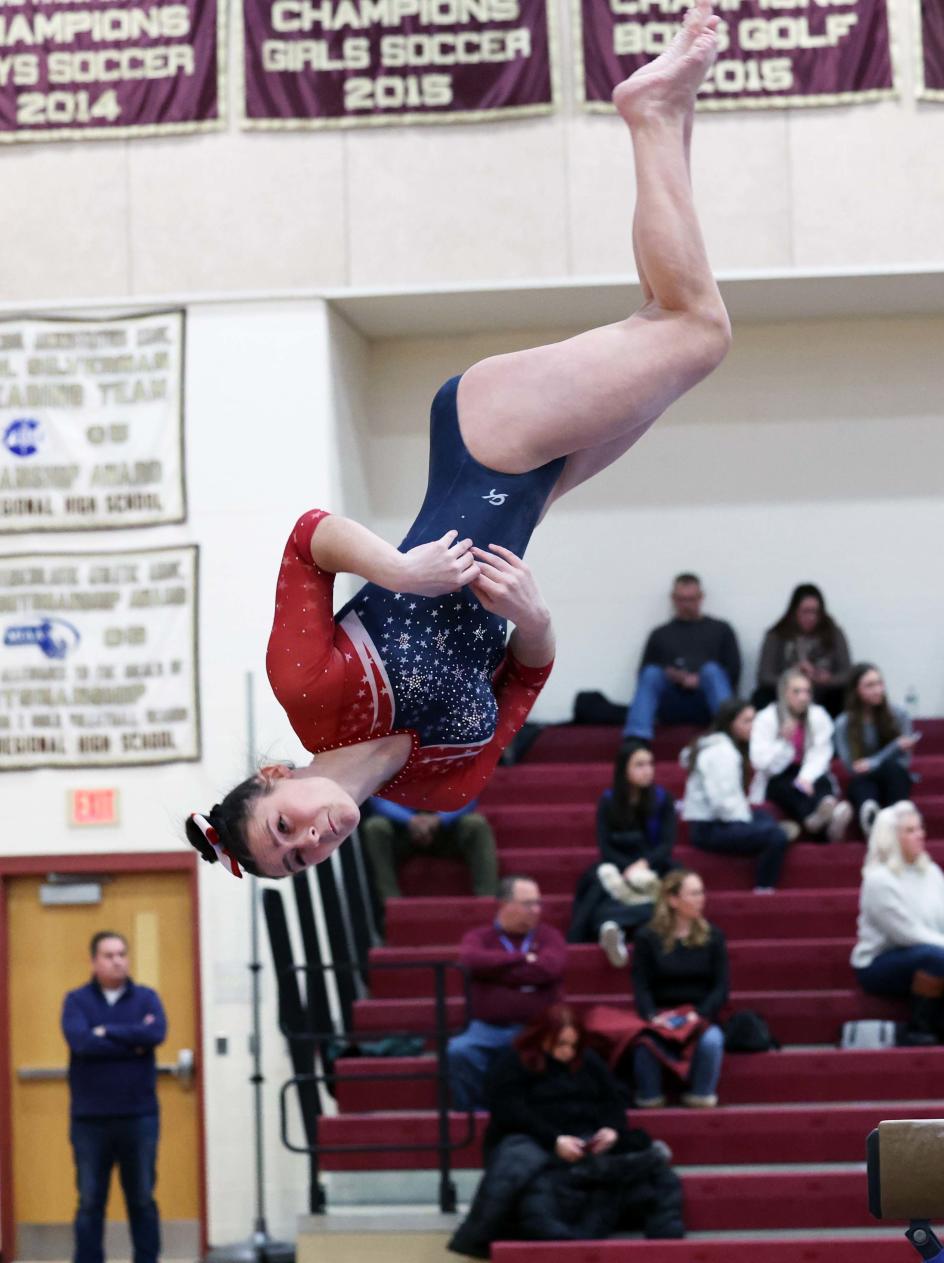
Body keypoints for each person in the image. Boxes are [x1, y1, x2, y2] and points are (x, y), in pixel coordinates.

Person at [184, 0, 733, 879]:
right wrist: (534, 619)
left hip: (486, 442)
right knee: (669, 324)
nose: (308, 838)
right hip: (536, 493)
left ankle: (653, 110)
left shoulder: (309, 692)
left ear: (276, 776)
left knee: (697, 330)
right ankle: (669, 108)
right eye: (297, 860)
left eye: (282, 825)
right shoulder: (441, 790)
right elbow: (525, 681)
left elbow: (308, 536)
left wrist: (399, 571)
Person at [447, 1004, 684, 1256]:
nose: (567, 1052)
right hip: (539, 1144)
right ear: (542, 1038)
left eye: (573, 1045)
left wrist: (611, 1131)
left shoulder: (588, 1061)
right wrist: (554, 1141)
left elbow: (613, 1101)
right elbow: (510, 1113)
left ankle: (666, 1247)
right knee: (532, 1189)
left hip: (587, 1144)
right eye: (560, 1044)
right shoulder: (514, 1062)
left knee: (660, 1175)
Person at [61, 931, 167, 1263]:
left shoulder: (147, 998)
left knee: (142, 1199)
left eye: (122, 953)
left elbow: (155, 1033)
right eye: (109, 955)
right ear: (94, 962)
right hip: (90, 1120)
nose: (118, 960)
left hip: (139, 1117)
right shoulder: (76, 1001)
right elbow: (81, 1042)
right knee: (91, 1201)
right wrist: (131, 1042)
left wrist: (105, 1031)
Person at [447, 876, 567, 1109]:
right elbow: (471, 961)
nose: (536, 910)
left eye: (538, 903)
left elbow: (549, 969)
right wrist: (523, 958)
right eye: (528, 903)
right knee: (460, 1051)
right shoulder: (479, 937)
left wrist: (497, 973)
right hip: (488, 1028)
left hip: (538, 1026)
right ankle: (480, 1118)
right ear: (504, 904)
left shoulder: (549, 936)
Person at [851, 803, 944, 1045]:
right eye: (910, 830)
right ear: (892, 837)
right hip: (880, 961)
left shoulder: (932, 871)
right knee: (938, 957)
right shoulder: (878, 880)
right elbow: (905, 933)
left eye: (920, 828)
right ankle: (920, 1027)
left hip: (931, 948)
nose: (920, 834)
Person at [567, 742, 677, 956]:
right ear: (623, 769)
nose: (648, 770)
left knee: (675, 885)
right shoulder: (608, 801)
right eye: (639, 765)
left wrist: (643, 864)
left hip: (652, 862)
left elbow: (666, 844)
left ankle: (616, 925)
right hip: (617, 862)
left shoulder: (663, 799)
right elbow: (604, 846)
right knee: (596, 885)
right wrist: (627, 868)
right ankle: (588, 937)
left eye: (650, 764)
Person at [631, 870, 728, 1108]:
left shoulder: (713, 936)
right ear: (673, 900)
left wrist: (699, 1014)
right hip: (662, 1015)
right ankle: (650, 1098)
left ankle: (701, 1096)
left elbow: (721, 987)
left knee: (712, 1041)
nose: (701, 899)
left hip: (698, 1014)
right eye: (694, 893)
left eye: (702, 892)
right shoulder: (647, 937)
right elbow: (641, 987)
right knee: (644, 1044)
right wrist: (653, 1016)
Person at [682, 699, 797, 893]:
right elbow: (722, 805)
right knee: (775, 836)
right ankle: (764, 889)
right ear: (731, 723)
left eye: (753, 720)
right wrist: (746, 823)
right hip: (710, 828)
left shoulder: (724, 747)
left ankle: (768, 827)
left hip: (718, 822)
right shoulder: (721, 752)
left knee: (765, 817)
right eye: (746, 721)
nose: (752, 726)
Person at [623, 573, 741, 743]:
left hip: (708, 702)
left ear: (701, 598)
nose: (686, 605)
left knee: (712, 671)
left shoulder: (721, 630)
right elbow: (643, 676)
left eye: (691, 599)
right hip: (672, 702)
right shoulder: (660, 634)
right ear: (673, 599)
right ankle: (636, 739)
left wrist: (699, 680)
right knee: (651, 673)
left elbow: (733, 672)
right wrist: (672, 676)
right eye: (681, 599)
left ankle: (730, 735)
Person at [359, 794, 497, 925]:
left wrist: (440, 820)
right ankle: (392, 907)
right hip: (403, 829)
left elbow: (469, 796)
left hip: (447, 828)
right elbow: (379, 801)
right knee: (375, 827)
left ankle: (487, 903)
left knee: (476, 824)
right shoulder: (386, 768)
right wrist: (411, 820)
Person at [749, 668, 852, 842]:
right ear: (783, 693)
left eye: (807, 691)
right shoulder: (766, 718)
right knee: (785, 787)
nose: (803, 697)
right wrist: (783, 742)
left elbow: (821, 753)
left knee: (821, 781)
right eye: (796, 691)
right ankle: (825, 821)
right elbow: (761, 762)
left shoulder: (818, 715)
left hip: (808, 770)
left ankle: (822, 814)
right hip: (778, 774)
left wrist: (806, 778)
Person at [834, 663, 919, 837]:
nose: (877, 690)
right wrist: (894, 747)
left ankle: (892, 822)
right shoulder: (843, 723)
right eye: (870, 685)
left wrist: (873, 762)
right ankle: (871, 820)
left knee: (892, 770)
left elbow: (905, 761)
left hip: (894, 776)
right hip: (862, 780)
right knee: (863, 784)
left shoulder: (899, 714)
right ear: (856, 690)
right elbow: (853, 768)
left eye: (879, 683)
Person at [753, 584, 852, 716]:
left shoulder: (833, 633)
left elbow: (848, 675)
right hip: (785, 694)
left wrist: (826, 679)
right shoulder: (777, 634)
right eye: (805, 611)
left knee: (842, 696)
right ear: (794, 612)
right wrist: (792, 677)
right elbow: (764, 676)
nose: (811, 617)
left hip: (824, 693)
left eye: (815, 612)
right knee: (761, 696)